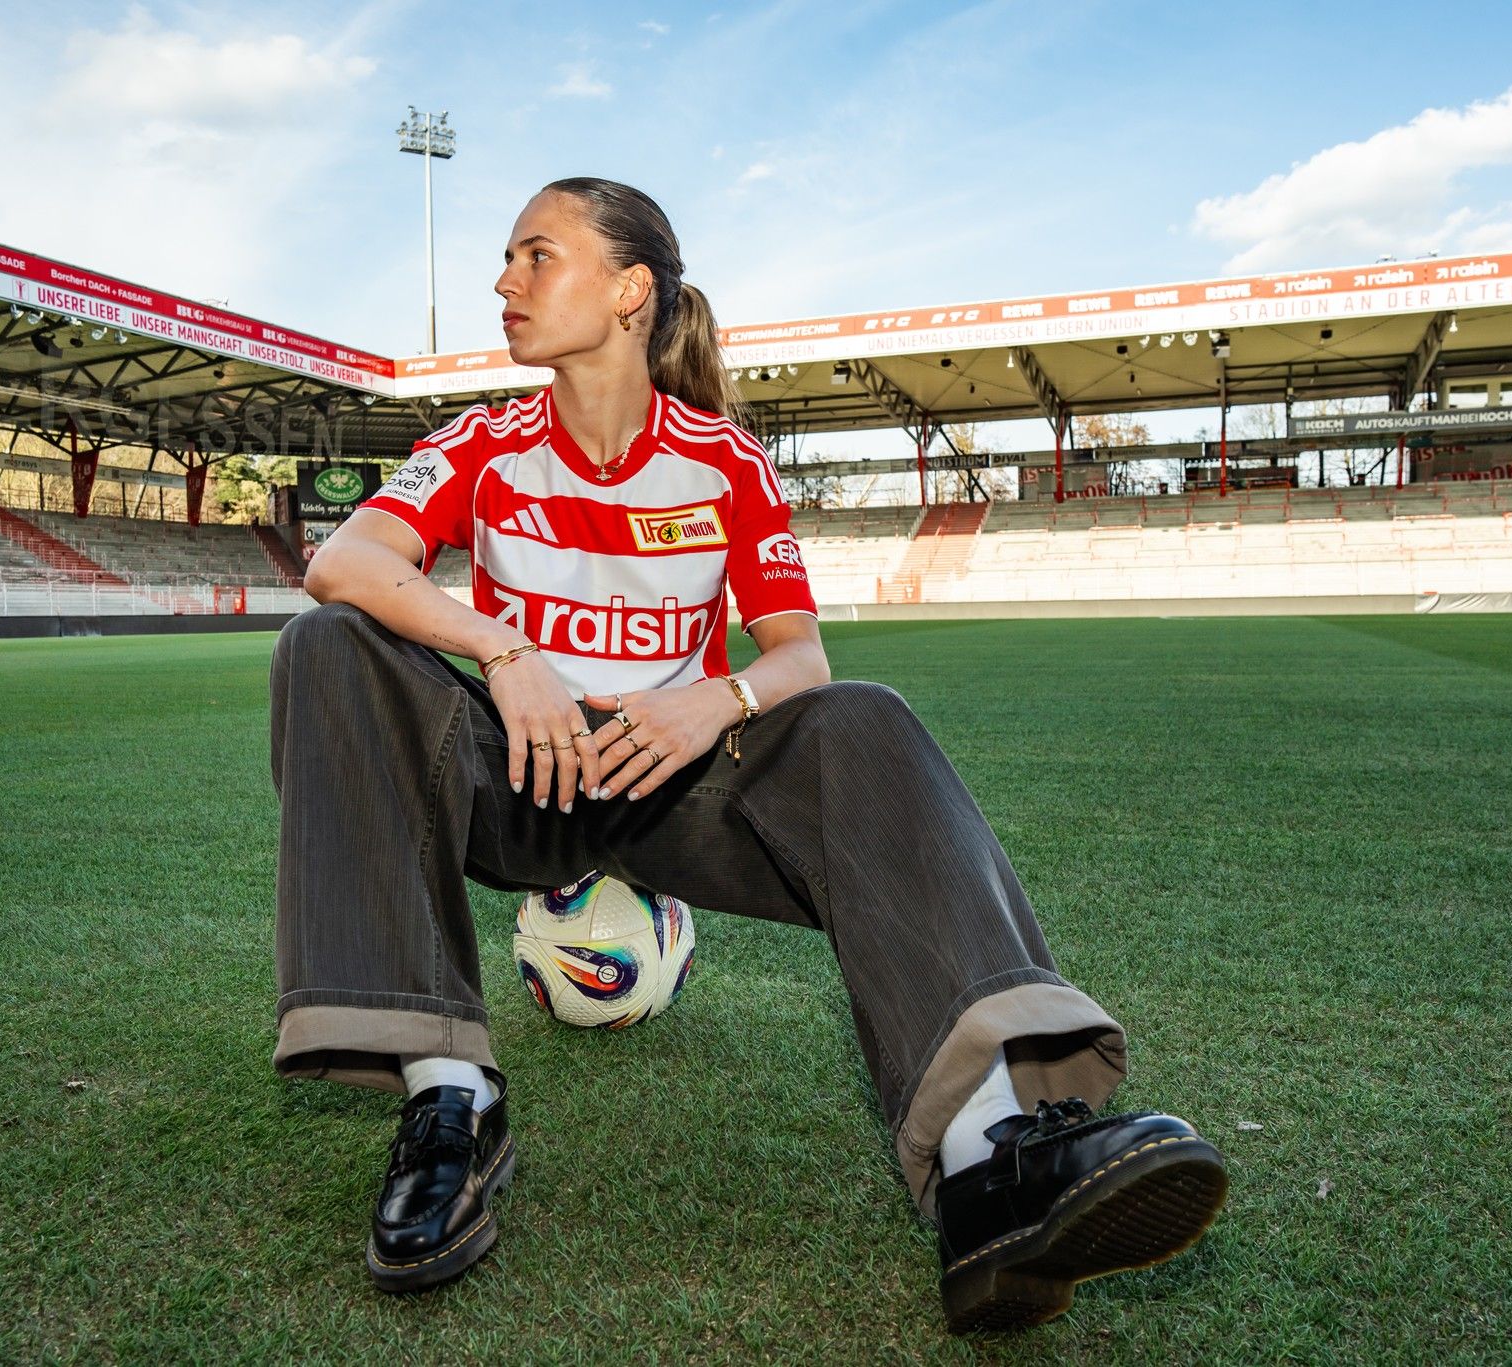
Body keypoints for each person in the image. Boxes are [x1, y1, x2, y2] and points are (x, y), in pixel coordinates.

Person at [271, 177, 1227, 1334]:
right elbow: (346, 562)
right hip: (519, 773)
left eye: (535, 255)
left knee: (862, 714)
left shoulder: (722, 461)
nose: (503, 281)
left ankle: (990, 1164)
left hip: (676, 788)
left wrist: (708, 701)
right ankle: (449, 1102)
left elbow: (800, 659)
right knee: (326, 647)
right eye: (507, 259)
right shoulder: (482, 441)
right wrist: (500, 647)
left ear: (629, 291)